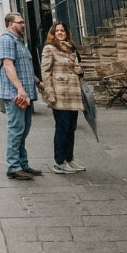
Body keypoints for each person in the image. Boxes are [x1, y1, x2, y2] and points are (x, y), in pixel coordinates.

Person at [0, 12, 42, 181]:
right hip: (15, 94)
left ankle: (23, 164)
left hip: (26, 93)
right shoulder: (6, 40)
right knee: (16, 130)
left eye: (23, 22)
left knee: (23, 130)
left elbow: (25, 68)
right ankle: (13, 167)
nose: (23, 24)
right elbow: (8, 66)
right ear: (10, 24)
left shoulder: (19, 41)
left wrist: (38, 83)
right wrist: (20, 89)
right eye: (20, 22)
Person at [39, 21, 86, 174]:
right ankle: (59, 162)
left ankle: (69, 159)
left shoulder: (71, 49)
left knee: (71, 128)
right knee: (62, 128)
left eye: (62, 30)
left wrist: (80, 71)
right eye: (57, 31)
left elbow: (76, 68)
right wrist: (49, 93)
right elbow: (45, 72)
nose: (60, 33)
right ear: (53, 33)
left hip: (73, 93)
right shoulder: (49, 49)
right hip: (59, 94)